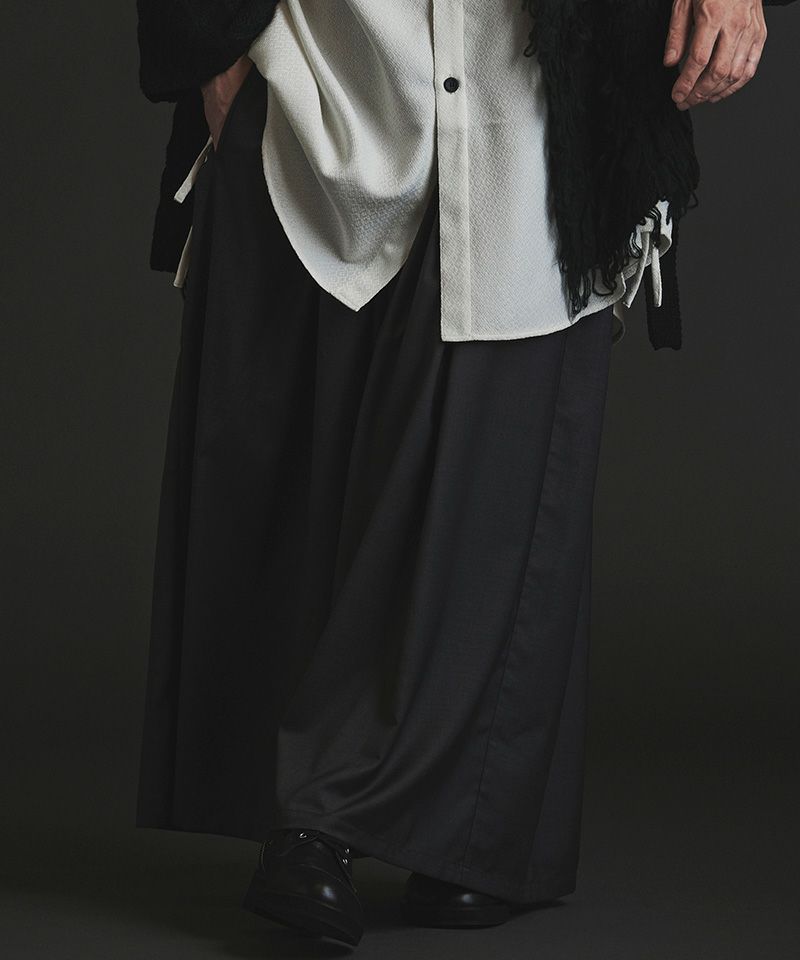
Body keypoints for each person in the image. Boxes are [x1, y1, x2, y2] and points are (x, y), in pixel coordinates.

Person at [133, 0, 794, 948]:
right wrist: (210, 56)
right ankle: (413, 827)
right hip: (328, 67)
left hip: (545, 75)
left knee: (512, 460)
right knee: (290, 463)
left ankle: (393, 827)